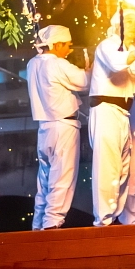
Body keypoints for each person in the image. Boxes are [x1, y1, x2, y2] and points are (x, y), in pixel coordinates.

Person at [89, 14, 135, 226]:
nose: (134, 26)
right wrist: (134, 55)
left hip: (124, 113)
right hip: (106, 110)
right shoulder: (107, 45)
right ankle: (103, 222)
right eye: (129, 22)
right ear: (117, 25)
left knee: (124, 171)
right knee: (108, 169)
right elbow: (117, 64)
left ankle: (118, 220)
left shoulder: (130, 49)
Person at [27, 24, 88, 230]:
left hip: (44, 128)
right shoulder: (57, 64)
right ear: (57, 44)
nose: (68, 49)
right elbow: (84, 81)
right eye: (67, 45)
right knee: (62, 179)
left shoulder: (32, 64)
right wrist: (88, 68)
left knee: (44, 182)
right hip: (63, 126)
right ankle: (52, 226)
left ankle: (38, 226)